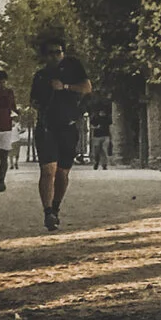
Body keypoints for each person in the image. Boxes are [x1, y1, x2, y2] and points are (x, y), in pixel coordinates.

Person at [30, 40, 92, 230]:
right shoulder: (40, 76)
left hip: (68, 127)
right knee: (48, 170)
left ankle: (56, 207)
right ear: (45, 56)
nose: (54, 56)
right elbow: (33, 101)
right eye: (50, 52)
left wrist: (65, 87)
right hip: (46, 128)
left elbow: (87, 87)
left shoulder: (74, 68)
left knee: (62, 173)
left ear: (64, 53)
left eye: (58, 52)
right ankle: (48, 212)